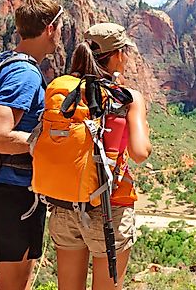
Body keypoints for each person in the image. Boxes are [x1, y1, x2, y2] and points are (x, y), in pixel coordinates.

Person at [49, 22, 152, 290]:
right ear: (118, 55)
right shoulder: (128, 97)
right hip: (110, 207)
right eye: (125, 52)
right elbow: (140, 153)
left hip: (65, 203)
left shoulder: (65, 91)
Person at [0, 0, 63, 290]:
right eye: (60, 28)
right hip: (11, 188)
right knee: (12, 282)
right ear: (50, 29)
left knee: (18, 277)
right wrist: (46, 143)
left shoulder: (10, 62)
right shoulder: (24, 73)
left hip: (8, 186)